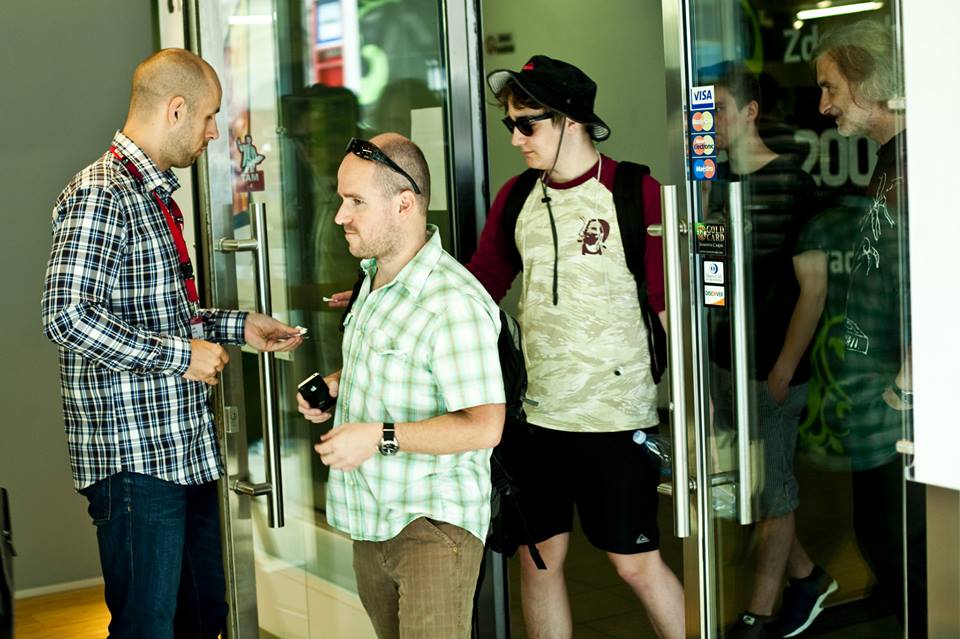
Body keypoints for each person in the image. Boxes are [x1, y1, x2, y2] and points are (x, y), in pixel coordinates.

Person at [40, 48, 304, 638]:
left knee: (204, 617)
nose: (214, 132)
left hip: (180, 452)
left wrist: (239, 326)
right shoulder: (101, 192)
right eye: (209, 117)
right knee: (148, 628)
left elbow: (160, 315)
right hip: (135, 463)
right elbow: (66, 316)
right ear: (177, 109)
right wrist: (182, 357)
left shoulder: (152, 194)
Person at [465, 55, 684, 639]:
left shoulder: (635, 191)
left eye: (527, 123)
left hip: (616, 417)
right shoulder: (517, 196)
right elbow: (483, 281)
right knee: (538, 562)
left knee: (634, 564)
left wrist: (694, 411)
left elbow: (668, 307)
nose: (516, 138)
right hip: (536, 417)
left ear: (570, 119)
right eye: (510, 124)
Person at [296, 133, 505, 639]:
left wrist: (377, 436)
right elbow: (405, 369)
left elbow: (484, 426)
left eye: (356, 202)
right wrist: (338, 387)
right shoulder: (373, 280)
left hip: (431, 528)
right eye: (342, 199)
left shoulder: (452, 301)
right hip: (371, 521)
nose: (341, 216)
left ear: (404, 204)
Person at [702, 63, 834, 639]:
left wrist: (783, 367)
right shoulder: (714, 184)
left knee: (772, 493)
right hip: (725, 363)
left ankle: (758, 615)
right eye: (704, 112)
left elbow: (814, 289)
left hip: (771, 367)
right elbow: (711, 277)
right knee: (757, 490)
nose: (709, 122)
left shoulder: (792, 184)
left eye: (719, 110)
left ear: (750, 112)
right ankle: (807, 578)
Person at [813, 20, 926, 638]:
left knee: (906, 547)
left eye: (831, 87)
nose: (823, 104)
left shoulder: (924, 160)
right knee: (885, 541)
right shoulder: (891, 162)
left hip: (902, 406)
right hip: (880, 399)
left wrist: (902, 388)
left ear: (868, 81)